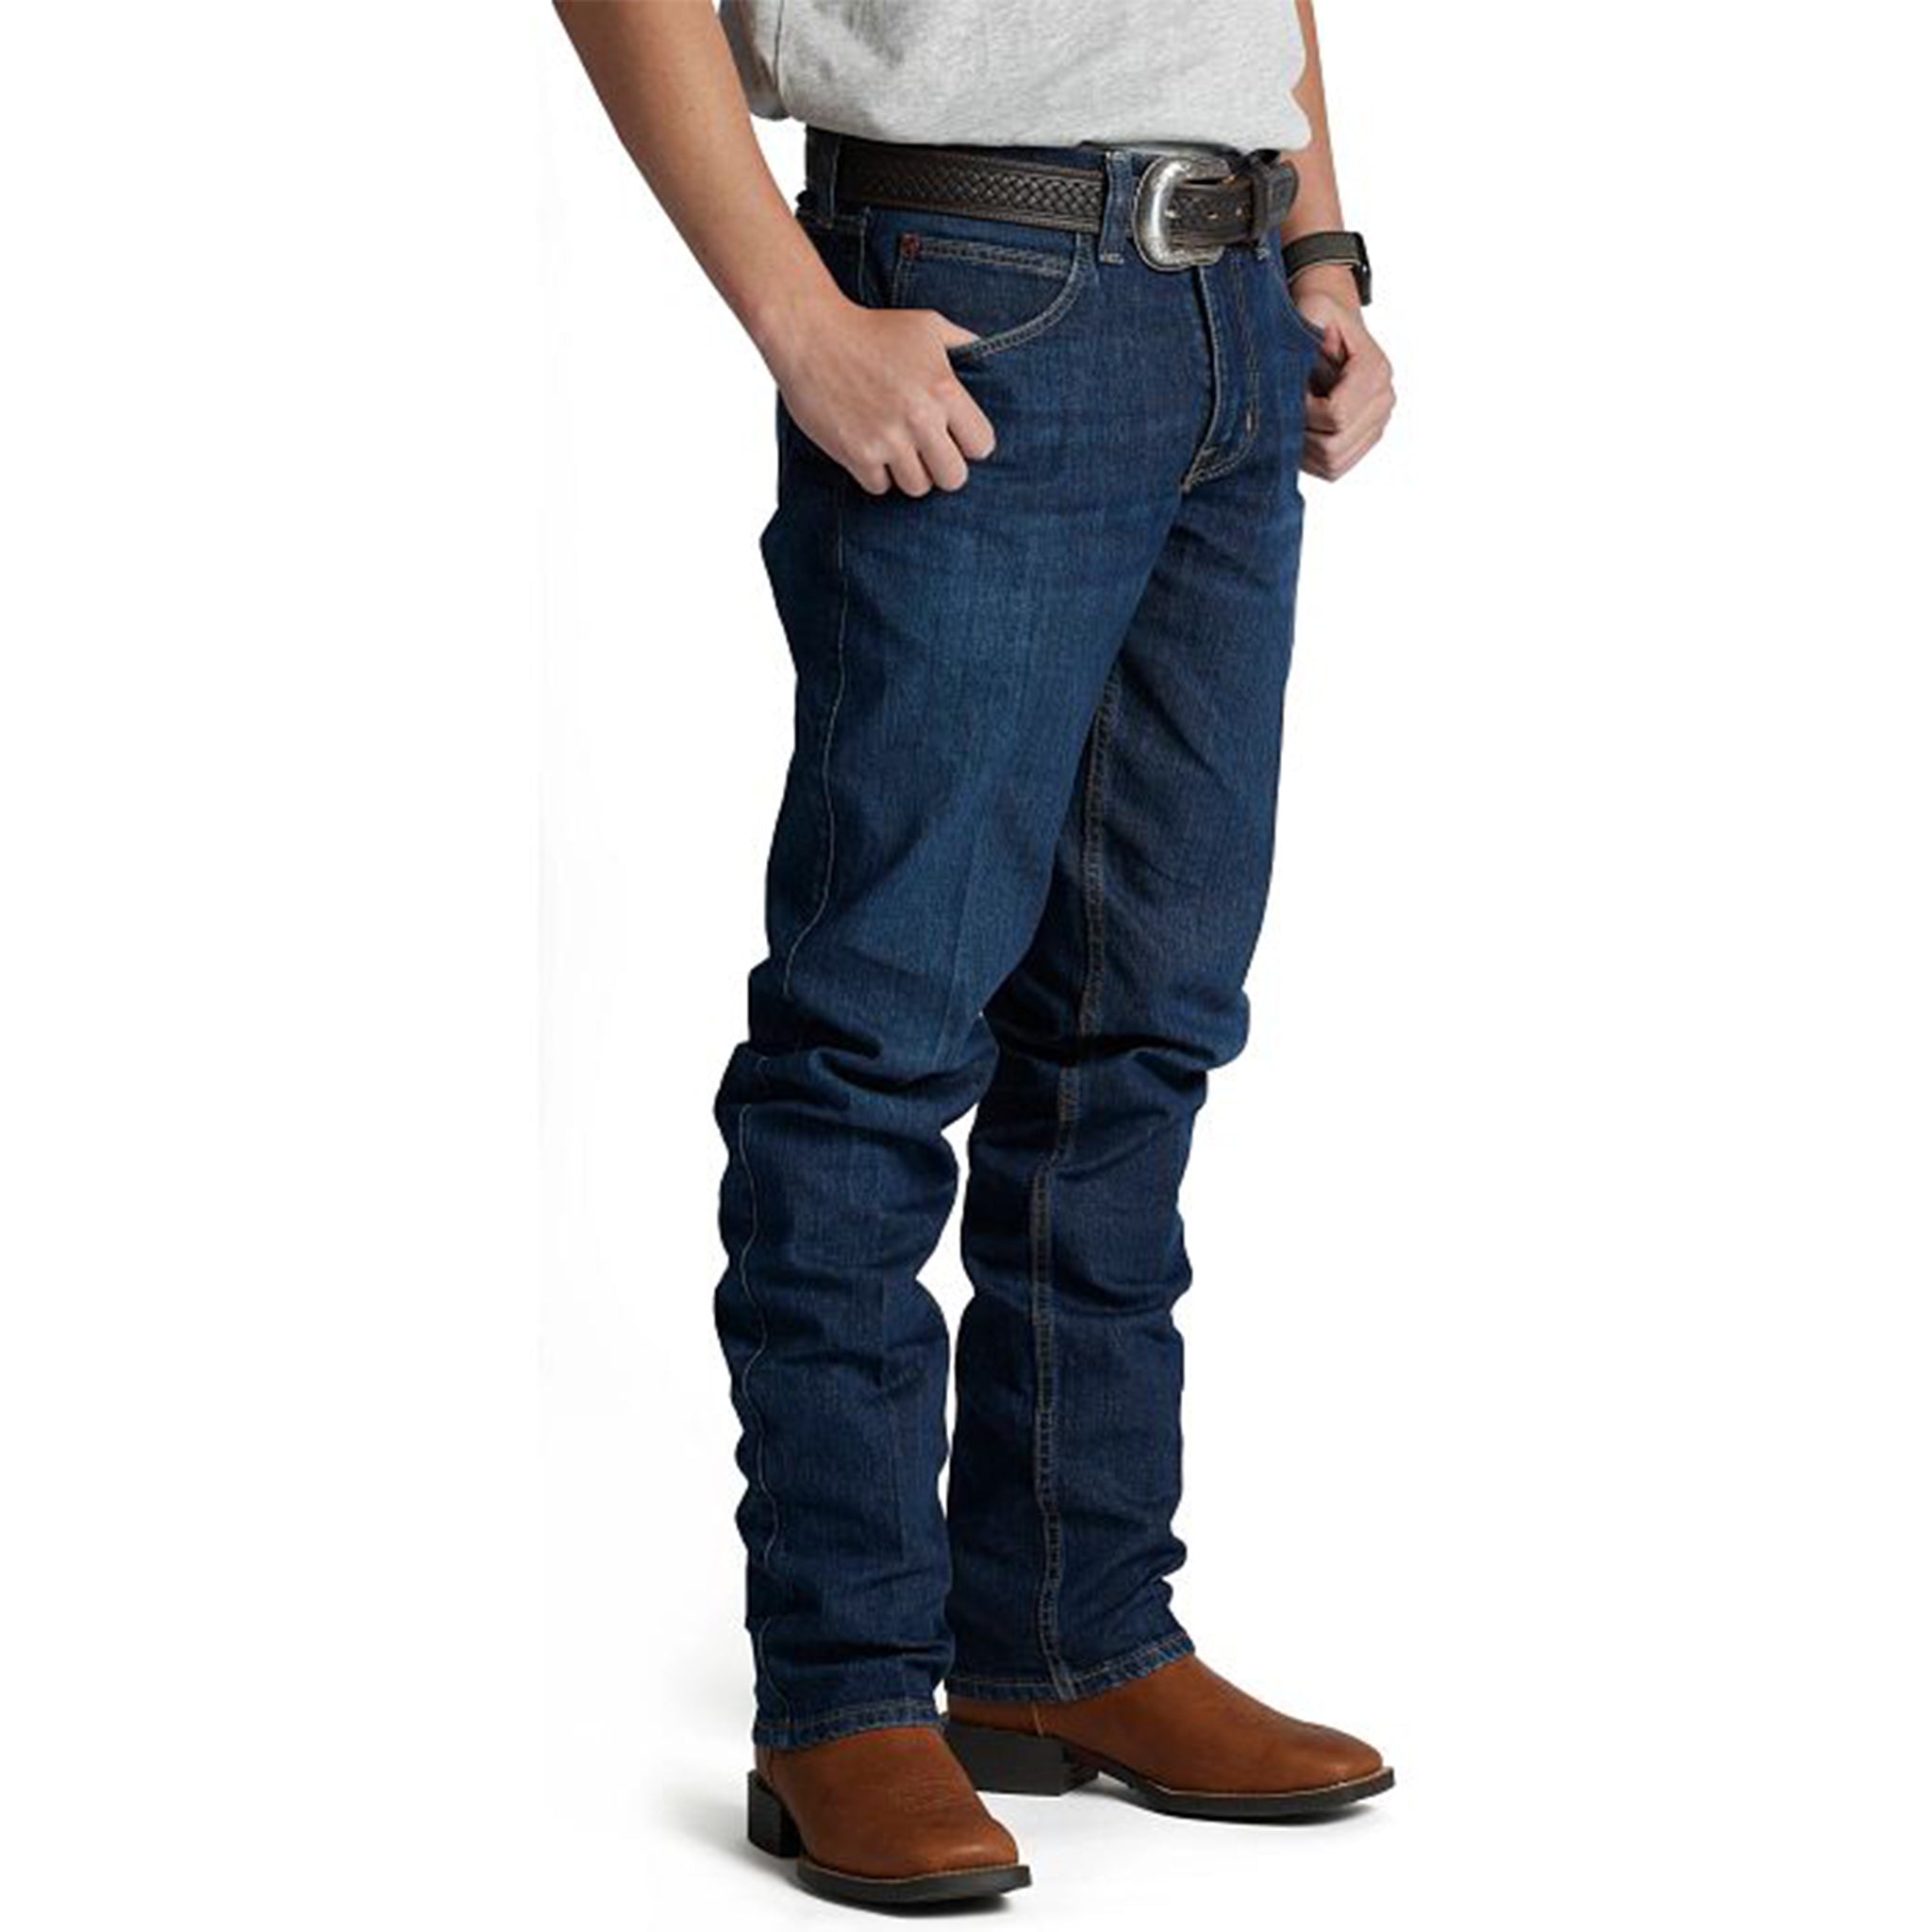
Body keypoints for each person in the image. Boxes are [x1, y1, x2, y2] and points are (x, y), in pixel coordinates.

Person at [554, 0, 1398, 1906]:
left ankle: (1072, 1636)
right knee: (877, 1041)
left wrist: (1320, 251)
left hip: (1233, 307)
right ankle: (845, 1693)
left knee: (1139, 1025)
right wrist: (796, 322)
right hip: (978, 281)